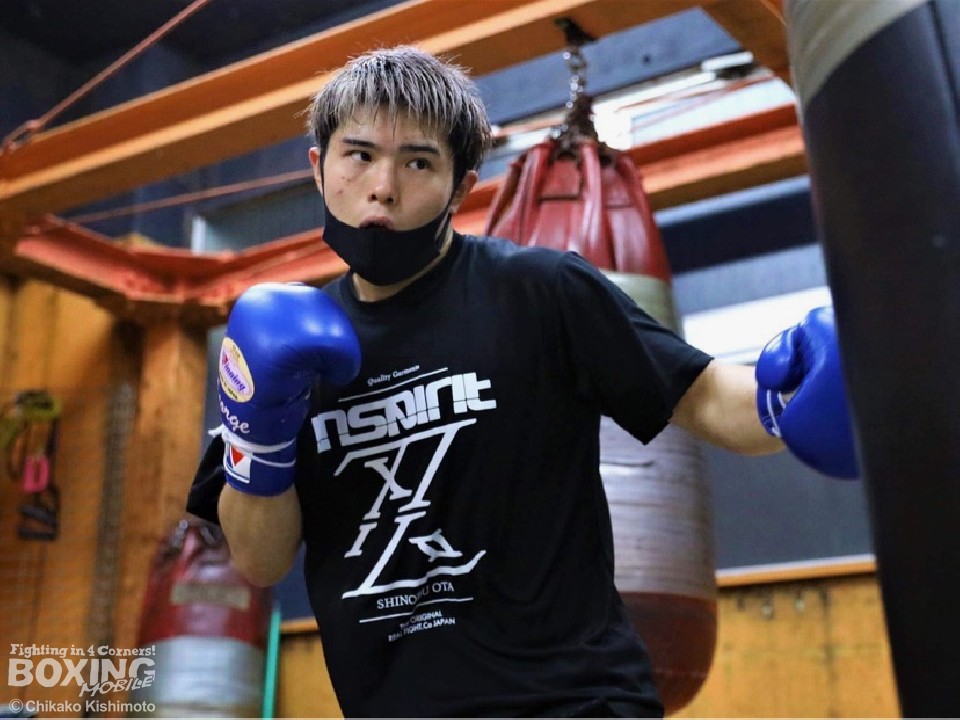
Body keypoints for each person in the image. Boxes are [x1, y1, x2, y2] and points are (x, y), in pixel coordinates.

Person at [187, 46, 858, 717]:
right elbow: (259, 560)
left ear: (460, 186)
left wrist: (790, 394)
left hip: (576, 703)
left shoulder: (539, 291)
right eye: (359, 155)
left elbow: (705, 397)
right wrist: (259, 437)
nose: (383, 186)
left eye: (417, 162)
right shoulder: (281, 345)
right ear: (319, 166)